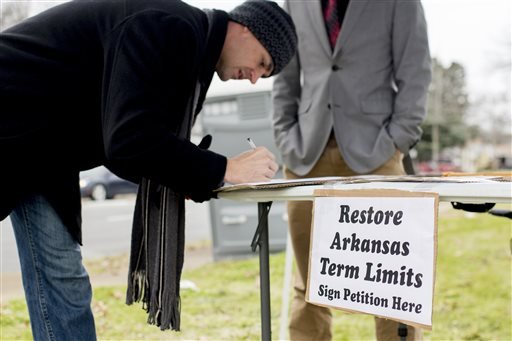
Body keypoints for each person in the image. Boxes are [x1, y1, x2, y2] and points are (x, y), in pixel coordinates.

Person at [0, 0, 297, 339]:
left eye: (266, 74)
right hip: (13, 121)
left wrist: (190, 181)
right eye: (262, 63)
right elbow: (129, 140)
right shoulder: (170, 28)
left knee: (64, 276)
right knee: (63, 277)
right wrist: (225, 167)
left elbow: (126, 142)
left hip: (45, 152)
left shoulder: (191, 47)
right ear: (246, 27)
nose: (256, 78)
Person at [272, 0, 431, 340]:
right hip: (305, 157)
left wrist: (398, 139)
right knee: (309, 278)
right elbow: (285, 77)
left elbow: (415, 70)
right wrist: (286, 137)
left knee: (391, 279)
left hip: (377, 153)